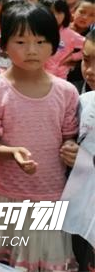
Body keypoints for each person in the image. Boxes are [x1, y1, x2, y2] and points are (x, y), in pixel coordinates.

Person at [0, 2, 79, 271]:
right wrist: (11, 152)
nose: (32, 50)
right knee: (3, 261)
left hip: (50, 193)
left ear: (54, 44)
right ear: (4, 44)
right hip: (6, 193)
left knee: (44, 260)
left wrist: (71, 149)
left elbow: (69, 136)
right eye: (21, 41)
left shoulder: (66, 92)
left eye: (41, 41)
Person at [60, 29, 95, 271]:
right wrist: (69, 147)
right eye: (86, 59)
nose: (90, 70)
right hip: (80, 213)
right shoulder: (83, 102)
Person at [43, 0, 84, 80]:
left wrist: (72, 57)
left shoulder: (69, 34)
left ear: (65, 14)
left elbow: (89, 46)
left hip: (60, 77)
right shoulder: (37, 31)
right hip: (37, 76)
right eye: (51, 12)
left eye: (59, 12)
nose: (55, 16)